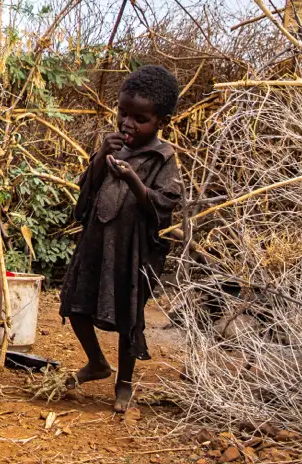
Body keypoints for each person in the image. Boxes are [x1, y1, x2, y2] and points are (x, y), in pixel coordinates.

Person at [60, 64, 182, 412]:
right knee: (76, 304)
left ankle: (124, 383)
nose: (127, 123)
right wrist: (101, 157)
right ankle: (96, 362)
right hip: (97, 243)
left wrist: (133, 181)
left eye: (139, 118)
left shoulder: (163, 158)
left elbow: (162, 206)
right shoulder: (111, 148)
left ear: (161, 121)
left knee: (129, 315)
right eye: (123, 113)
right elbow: (84, 198)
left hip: (132, 251)